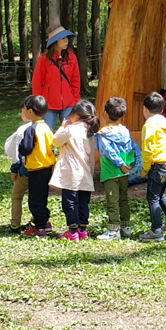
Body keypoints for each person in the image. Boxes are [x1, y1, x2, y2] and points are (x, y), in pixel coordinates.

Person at [51, 100, 99, 241]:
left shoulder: (71, 130)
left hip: (71, 174)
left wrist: (62, 127)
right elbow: (91, 156)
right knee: (83, 202)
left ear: (76, 115)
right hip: (85, 174)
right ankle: (82, 230)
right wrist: (91, 174)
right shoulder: (89, 134)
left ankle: (72, 232)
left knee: (70, 203)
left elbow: (55, 141)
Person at [94, 97, 138, 241]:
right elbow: (132, 147)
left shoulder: (103, 133)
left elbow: (108, 150)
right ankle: (126, 227)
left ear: (105, 113)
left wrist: (119, 163)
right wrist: (129, 163)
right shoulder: (125, 131)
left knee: (112, 200)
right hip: (125, 171)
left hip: (110, 171)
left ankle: (113, 230)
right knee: (123, 199)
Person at [139, 92, 166, 242]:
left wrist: (145, 169)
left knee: (152, 197)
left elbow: (147, 149)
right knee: (160, 194)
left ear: (144, 109)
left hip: (158, 165)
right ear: (162, 109)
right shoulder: (164, 123)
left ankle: (156, 231)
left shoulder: (149, 125)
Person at [18, 94, 57, 237]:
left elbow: (26, 149)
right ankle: (45, 223)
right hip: (47, 168)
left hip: (36, 169)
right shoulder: (46, 127)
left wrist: (19, 145)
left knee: (35, 200)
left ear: (30, 111)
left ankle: (40, 228)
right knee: (42, 197)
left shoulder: (31, 129)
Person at [32, 25, 81, 130]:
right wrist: (39, 104)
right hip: (48, 106)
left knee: (70, 135)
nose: (66, 41)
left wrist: (75, 100)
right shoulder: (43, 59)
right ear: (55, 41)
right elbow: (37, 83)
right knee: (46, 135)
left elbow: (76, 80)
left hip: (69, 105)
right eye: (63, 38)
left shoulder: (72, 57)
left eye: (67, 38)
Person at [3, 112, 34, 233]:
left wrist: (14, 170)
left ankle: (15, 224)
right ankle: (37, 222)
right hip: (41, 171)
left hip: (24, 170)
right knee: (36, 197)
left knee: (17, 196)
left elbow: (16, 154)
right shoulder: (45, 128)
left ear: (29, 112)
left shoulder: (22, 130)